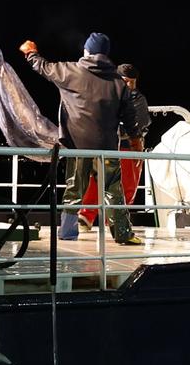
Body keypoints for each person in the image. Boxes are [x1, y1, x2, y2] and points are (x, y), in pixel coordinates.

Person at [18, 31, 142, 245]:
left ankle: (67, 232)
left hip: (77, 146)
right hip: (107, 148)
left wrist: (31, 53)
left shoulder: (70, 71)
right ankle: (123, 234)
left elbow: (43, 67)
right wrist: (136, 141)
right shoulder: (118, 83)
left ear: (86, 51)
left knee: (74, 188)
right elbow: (130, 117)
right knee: (113, 190)